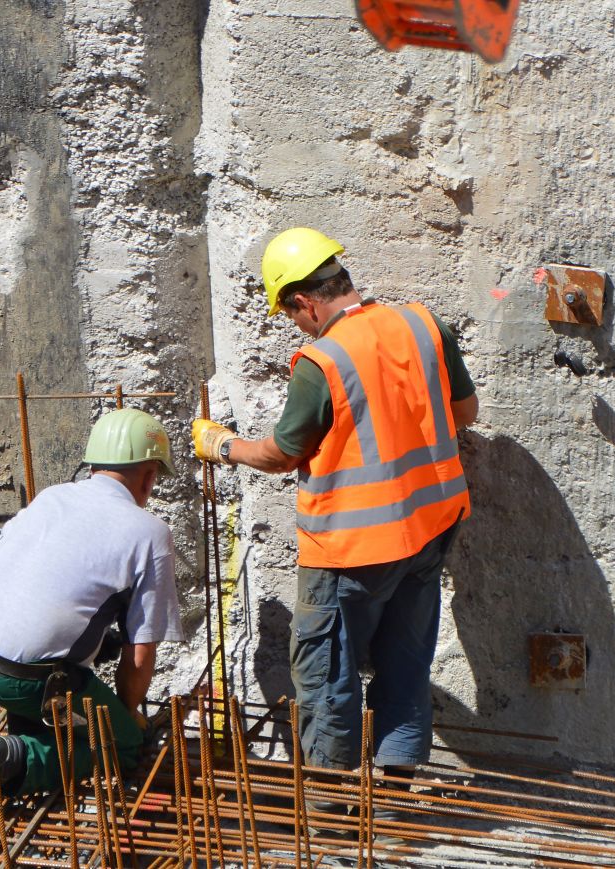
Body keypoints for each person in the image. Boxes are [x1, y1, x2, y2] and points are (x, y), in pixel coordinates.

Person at [192, 227, 478, 786]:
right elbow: (463, 412)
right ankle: (394, 790)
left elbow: (281, 453)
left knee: (326, 673)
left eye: (291, 314)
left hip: (350, 547)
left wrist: (222, 446)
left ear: (304, 300)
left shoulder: (321, 360)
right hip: (428, 531)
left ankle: (328, 810)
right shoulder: (423, 325)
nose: (296, 325)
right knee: (405, 659)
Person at [0, 408, 184, 815]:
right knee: (120, 743)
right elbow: (140, 656)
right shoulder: (150, 534)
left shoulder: (52, 496)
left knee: (64, 672)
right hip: (17, 679)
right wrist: (126, 717)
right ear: (149, 476)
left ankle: (28, 728)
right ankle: (10, 760)